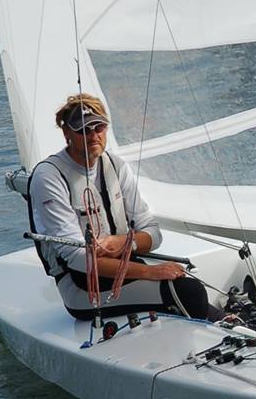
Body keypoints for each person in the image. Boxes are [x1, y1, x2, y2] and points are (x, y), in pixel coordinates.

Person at [27, 93, 211, 320]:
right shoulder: (48, 178)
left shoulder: (115, 166)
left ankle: (234, 324)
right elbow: (77, 258)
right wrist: (149, 272)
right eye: (83, 129)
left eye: (99, 127)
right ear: (66, 133)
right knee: (188, 292)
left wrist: (120, 243)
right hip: (81, 285)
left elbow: (153, 233)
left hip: (123, 265)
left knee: (190, 281)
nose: (93, 135)